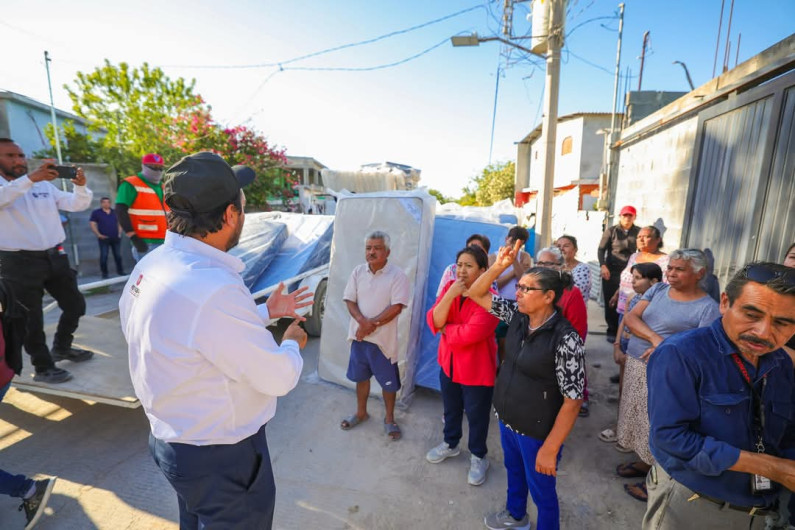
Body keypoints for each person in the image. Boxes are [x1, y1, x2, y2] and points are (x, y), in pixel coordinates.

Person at [119, 152, 311, 529]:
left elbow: (186, 334)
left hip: (174, 446)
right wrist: (290, 342)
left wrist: (263, 314)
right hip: (222, 461)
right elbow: (277, 377)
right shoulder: (213, 288)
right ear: (228, 216)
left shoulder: (152, 265)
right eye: (242, 204)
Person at [644, 263, 795, 530]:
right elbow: (670, 439)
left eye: (782, 323)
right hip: (692, 503)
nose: (763, 332)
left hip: (759, 511)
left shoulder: (781, 362)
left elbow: (786, 431)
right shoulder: (681, 354)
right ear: (725, 302)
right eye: (752, 314)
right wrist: (774, 468)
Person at [468, 240, 585, 530]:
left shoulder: (566, 338)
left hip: (538, 430)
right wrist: (498, 266)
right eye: (518, 287)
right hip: (509, 417)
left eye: (525, 289)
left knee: (543, 493)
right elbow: (476, 292)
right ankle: (516, 515)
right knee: (514, 470)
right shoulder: (517, 316)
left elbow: (573, 401)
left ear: (548, 297)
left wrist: (551, 447)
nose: (517, 293)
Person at [617, 249, 721, 502]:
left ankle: (655, 480)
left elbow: (701, 348)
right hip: (638, 364)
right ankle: (644, 462)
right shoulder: (658, 290)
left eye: (679, 269)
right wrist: (659, 340)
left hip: (670, 373)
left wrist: (666, 350)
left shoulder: (707, 308)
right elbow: (631, 318)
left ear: (699, 273)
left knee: (660, 423)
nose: (671, 273)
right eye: (670, 268)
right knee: (639, 415)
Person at [0, 137, 94, 384]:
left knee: (75, 305)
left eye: (20, 155)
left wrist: (80, 186)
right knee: (31, 318)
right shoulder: (18, 185)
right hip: (18, 262)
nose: (18, 160)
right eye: (10, 156)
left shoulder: (42, 185)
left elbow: (76, 204)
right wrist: (30, 179)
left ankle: (62, 347)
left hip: (54, 256)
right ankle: (43, 367)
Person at [426, 245, 499, 486]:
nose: (462, 270)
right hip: (448, 365)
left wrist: (445, 328)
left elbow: (470, 335)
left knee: (477, 416)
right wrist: (449, 296)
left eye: (469, 266)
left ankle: (479, 456)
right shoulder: (450, 288)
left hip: (476, 371)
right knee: (451, 409)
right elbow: (434, 319)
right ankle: (451, 443)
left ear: (482, 271)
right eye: (459, 265)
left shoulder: (490, 300)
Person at [340, 231, 410, 441]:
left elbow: (397, 307)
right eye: (369, 248)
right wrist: (363, 323)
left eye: (377, 248)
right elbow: (349, 300)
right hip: (359, 340)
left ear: (387, 252)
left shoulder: (397, 276)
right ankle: (361, 412)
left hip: (383, 344)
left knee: (389, 384)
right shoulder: (358, 272)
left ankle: (389, 419)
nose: (372, 252)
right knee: (361, 379)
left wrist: (371, 325)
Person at [600, 263, 661, 444]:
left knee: (642, 393)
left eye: (638, 278)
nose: (633, 282)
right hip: (626, 344)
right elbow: (623, 321)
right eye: (632, 277)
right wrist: (617, 345)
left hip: (642, 351)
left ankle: (637, 435)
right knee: (623, 389)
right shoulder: (632, 297)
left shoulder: (659, 302)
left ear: (654, 281)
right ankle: (622, 428)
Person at [536, 246, 590, 417]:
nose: (544, 267)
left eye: (549, 264)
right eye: (540, 263)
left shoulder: (571, 293)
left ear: (560, 266)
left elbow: (577, 331)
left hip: (559, 353)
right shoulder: (531, 288)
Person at [597, 205, 640, 342]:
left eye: (630, 216)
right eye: (624, 215)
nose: (627, 218)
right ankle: (612, 329)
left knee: (628, 301)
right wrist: (603, 266)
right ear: (620, 216)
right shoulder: (611, 231)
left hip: (629, 271)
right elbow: (601, 250)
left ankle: (625, 329)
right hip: (612, 270)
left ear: (634, 217)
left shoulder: (638, 232)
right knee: (611, 301)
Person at [116, 153, 168, 262]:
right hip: (145, 242)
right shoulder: (130, 184)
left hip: (165, 241)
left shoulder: (163, 187)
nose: (157, 171)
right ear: (144, 166)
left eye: (160, 168)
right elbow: (120, 211)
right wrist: (133, 236)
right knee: (148, 277)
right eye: (153, 167)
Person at [492, 227, 533, 362]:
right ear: (506, 239)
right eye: (513, 241)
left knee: (516, 339)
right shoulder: (493, 257)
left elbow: (524, 279)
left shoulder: (525, 257)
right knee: (500, 340)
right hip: (499, 302)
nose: (516, 246)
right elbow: (495, 284)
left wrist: (514, 259)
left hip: (518, 304)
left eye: (519, 244)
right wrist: (511, 272)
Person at [609, 225, 669, 317]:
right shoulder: (634, 256)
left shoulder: (665, 260)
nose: (641, 240)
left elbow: (664, 288)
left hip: (643, 311)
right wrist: (617, 294)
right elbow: (627, 277)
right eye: (639, 237)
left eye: (646, 237)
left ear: (658, 240)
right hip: (624, 305)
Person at [89, 197, 125, 279]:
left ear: (110, 203)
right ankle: (104, 274)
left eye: (108, 202)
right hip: (103, 238)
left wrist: (119, 233)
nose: (106, 204)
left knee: (118, 255)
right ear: (101, 203)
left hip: (115, 237)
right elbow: (92, 224)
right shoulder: (96, 213)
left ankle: (120, 271)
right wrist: (98, 235)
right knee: (104, 256)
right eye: (104, 202)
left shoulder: (115, 212)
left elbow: (120, 222)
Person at [556, 235, 591, 303]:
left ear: (575, 249)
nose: (561, 249)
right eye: (558, 246)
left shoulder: (583, 269)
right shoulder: (553, 266)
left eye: (566, 246)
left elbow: (573, 291)